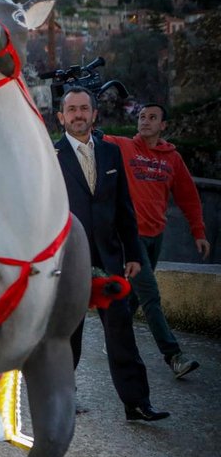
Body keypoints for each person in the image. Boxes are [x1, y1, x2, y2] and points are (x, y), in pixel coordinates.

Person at [54, 87, 169, 422]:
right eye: (71, 109)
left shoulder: (110, 154)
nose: (78, 114)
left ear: (94, 114)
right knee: (68, 336)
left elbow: (123, 208)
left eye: (83, 109)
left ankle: (137, 403)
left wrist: (133, 252)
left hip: (109, 260)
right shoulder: (50, 157)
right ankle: (61, 400)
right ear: (61, 117)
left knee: (121, 330)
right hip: (68, 262)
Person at [104, 103, 208, 378]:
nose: (145, 121)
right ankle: (173, 355)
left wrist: (198, 232)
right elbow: (92, 135)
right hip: (130, 236)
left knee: (134, 299)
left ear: (163, 125)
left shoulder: (171, 158)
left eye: (152, 118)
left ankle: (116, 344)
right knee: (150, 294)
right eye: (141, 117)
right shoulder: (124, 147)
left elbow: (188, 196)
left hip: (155, 236)